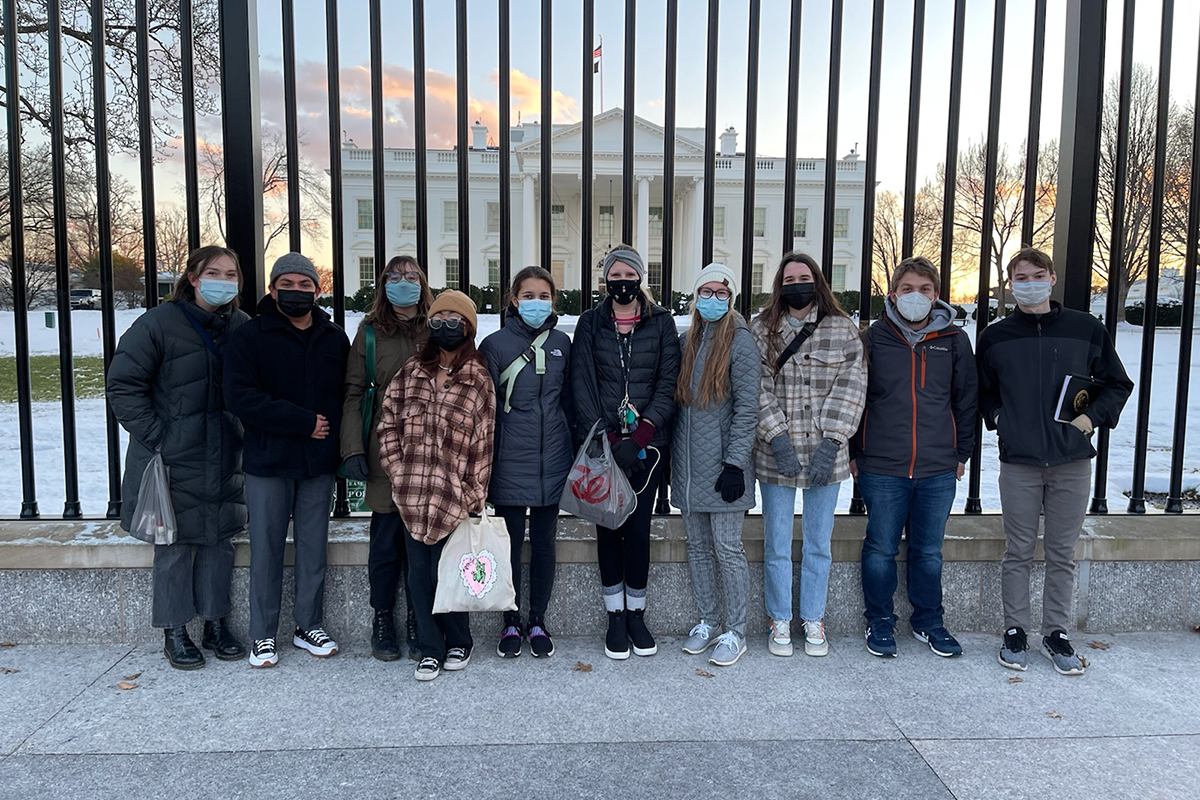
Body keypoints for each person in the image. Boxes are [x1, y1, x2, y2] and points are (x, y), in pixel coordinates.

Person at [978, 247, 1132, 676]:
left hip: (1071, 460)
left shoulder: (1085, 328)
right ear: (1010, 285)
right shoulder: (995, 336)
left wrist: (1090, 419)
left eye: (1037, 274)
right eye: (1020, 277)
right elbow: (984, 391)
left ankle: (1056, 633)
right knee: (1019, 551)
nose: (1029, 283)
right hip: (1019, 461)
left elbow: (1117, 384)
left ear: (1052, 277)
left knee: (1062, 552)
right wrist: (998, 419)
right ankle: (1015, 629)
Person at [107, 246, 249, 670]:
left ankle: (215, 622)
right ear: (192, 277)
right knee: (173, 545)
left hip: (224, 452)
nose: (223, 280)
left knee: (217, 541)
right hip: (170, 457)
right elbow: (123, 386)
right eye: (214, 272)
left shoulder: (241, 327)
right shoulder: (157, 324)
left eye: (231, 274)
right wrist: (160, 438)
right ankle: (174, 630)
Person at [224, 252, 350, 668]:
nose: (297, 292)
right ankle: (263, 633)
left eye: (305, 285)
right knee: (267, 549)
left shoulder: (334, 337)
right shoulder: (251, 336)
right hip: (269, 462)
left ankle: (307, 624)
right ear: (272, 288)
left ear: (317, 289)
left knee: (314, 548)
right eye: (288, 284)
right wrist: (300, 422)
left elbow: (345, 396)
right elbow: (240, 397)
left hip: (318, 463)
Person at [850, 256, 977, 659]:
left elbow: (966, 400)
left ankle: (928, 621)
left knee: (928, 551)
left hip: (938, 467)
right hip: (882, 465)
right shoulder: (872, 338)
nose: (916, 296)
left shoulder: (954, 340)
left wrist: (963, 453)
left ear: (937, 295)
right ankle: (880, 620)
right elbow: (855, 398)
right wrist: (855, 453)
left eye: (924, 289)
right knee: (881, 549)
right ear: (893, 294)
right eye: (908, 289)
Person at [751, 251, 866, 658]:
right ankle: (779, 617)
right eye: (788, 279)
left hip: (826, 455)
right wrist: (777, 438)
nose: (796, 284)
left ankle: (813, 616)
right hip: (774, 455)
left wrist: (833, 440)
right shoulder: (761, 330)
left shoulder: (843, 330)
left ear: (817, 280)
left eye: (803, 277)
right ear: (779, 286)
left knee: (819, 543)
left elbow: (853, 386)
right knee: (777, 543)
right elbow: (756, 388)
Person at [378, 289, 496, 682]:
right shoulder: (411, 372)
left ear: (468, 328)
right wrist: (398, 473)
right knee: (418, 575)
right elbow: (388, 425)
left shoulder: (478, 378)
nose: (445, 326)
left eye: (455, 320)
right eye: (438, 318)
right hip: (412, 496)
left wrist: (472, 494)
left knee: (454, 571)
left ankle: (459, 640)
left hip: (454, 498)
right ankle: (430, 648)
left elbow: (484, 441)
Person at [571, 244, 681, 660]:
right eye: (614, 276)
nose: (621, 283)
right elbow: (581, 386)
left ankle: (637, 613)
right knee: (608, 528)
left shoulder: (661, 323)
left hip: (647, 449)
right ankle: (614, 616)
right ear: (605, 280)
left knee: (637, 531)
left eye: (628, 275)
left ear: (640, 278)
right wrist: (610, 440)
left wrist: (639, 438)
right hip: (603, 447)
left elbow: (669, 383)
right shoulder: (589, 324)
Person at [340, 256, 432, 662]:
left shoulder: (436, 326)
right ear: (383, 284)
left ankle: (418, 617)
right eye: (394, 277)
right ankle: (383, 619)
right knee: (385, 542)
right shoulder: (370, 333)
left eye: (411, 276)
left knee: (422, 543)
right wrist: (352, 449)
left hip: (429, 450)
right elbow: (354, 393)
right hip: (384, 448)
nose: (403, 283)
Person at [479, 266, 573, 659]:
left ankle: (538, 619)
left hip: (553, 459)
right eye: (528, 295)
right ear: (514, 300)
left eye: (544, 295)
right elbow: (483, 410)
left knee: (545, 546)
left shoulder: (563, 343)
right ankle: (510, 621)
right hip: (510, 462)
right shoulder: (495, 345)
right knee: (511, 545)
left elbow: (569, 399)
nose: (537, 303)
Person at [672, 264, 760, 668]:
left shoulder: (740, 341)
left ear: (731, 297)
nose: (712, 299)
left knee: (727, 549)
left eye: (720, 292)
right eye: (704, 292)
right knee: (698, 549)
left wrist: (735, 464)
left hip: (724, 467)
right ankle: (708, 620)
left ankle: (736, 630)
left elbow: (747, 409)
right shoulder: (686, 339)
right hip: (688, 467)